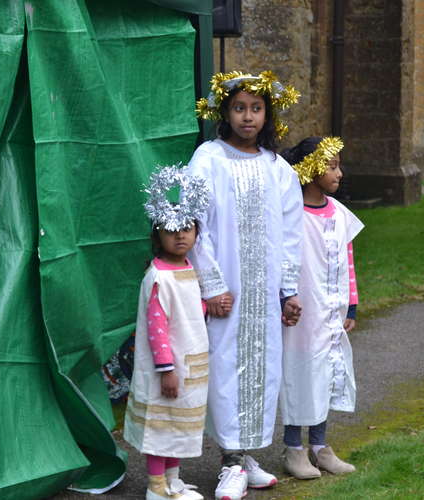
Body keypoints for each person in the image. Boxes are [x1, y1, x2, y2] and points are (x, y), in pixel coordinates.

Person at [189, 71, 303, 500]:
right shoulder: (209, 159)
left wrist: (288, 290)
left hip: (264, 293)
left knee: (262, 369)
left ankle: (246, 455)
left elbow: (290, 234)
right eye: (239, 108)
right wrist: (212, 284)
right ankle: (229, 461)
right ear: (225, 112)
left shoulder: (277, 168)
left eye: (256, 108)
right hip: (228, 292)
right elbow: (197, 224)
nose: (248, 117)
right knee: (225, 368)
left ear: (267, 114)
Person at [279, 136, 364, 479]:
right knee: (299, 373)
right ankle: (293, 449)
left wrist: (351, 307)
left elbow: (348, 259)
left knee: (326, 373)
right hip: (301, 314)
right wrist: (285, 299)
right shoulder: (292, 214)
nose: (339, 173)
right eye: (331, 166)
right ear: (311, 168)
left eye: (338, 165)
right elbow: (282, 260)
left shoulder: (339, 213)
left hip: (331, 313)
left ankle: (319, 446)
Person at [124, 167, 211, 500]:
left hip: (189, 363)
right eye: (172, 231)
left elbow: (188, 310)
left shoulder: (188, 268)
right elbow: (157, 327)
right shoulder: (159, 276)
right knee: (161, 428)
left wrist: (207, 308)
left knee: (177, 427)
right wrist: (167, 370)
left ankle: (173, 481)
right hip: (170, 368)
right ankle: (156, 487)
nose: (181, 236)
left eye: (187, 229)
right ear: (158, 235)